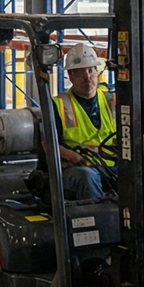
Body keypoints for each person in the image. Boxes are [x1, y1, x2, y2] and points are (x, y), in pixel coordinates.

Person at [53, 41, 115, 200]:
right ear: (70, 75)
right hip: (77, 167)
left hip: (111, 164)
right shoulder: (58, 104)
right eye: (80, 72)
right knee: (87, 177)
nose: (87, 77)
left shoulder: (111, 99)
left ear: (97, 72)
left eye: (90, 70)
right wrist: (74, 157)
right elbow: (48, 144)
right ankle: (98, 221)